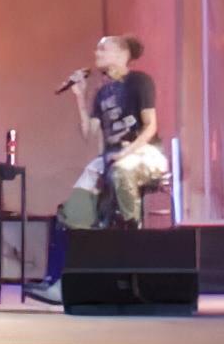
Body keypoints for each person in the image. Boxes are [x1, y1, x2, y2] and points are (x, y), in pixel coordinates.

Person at [70, 35, 166, 229]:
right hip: (111, 156)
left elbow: (150, 126)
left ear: (122, 54)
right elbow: (88, 133)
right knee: (79, 199)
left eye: (103, 49)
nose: (97, 53)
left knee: (122, 171)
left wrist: (124, 153)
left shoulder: (139, 81)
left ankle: (131, 231)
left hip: (143, 151)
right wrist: (80, 96)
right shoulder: (102, 92)